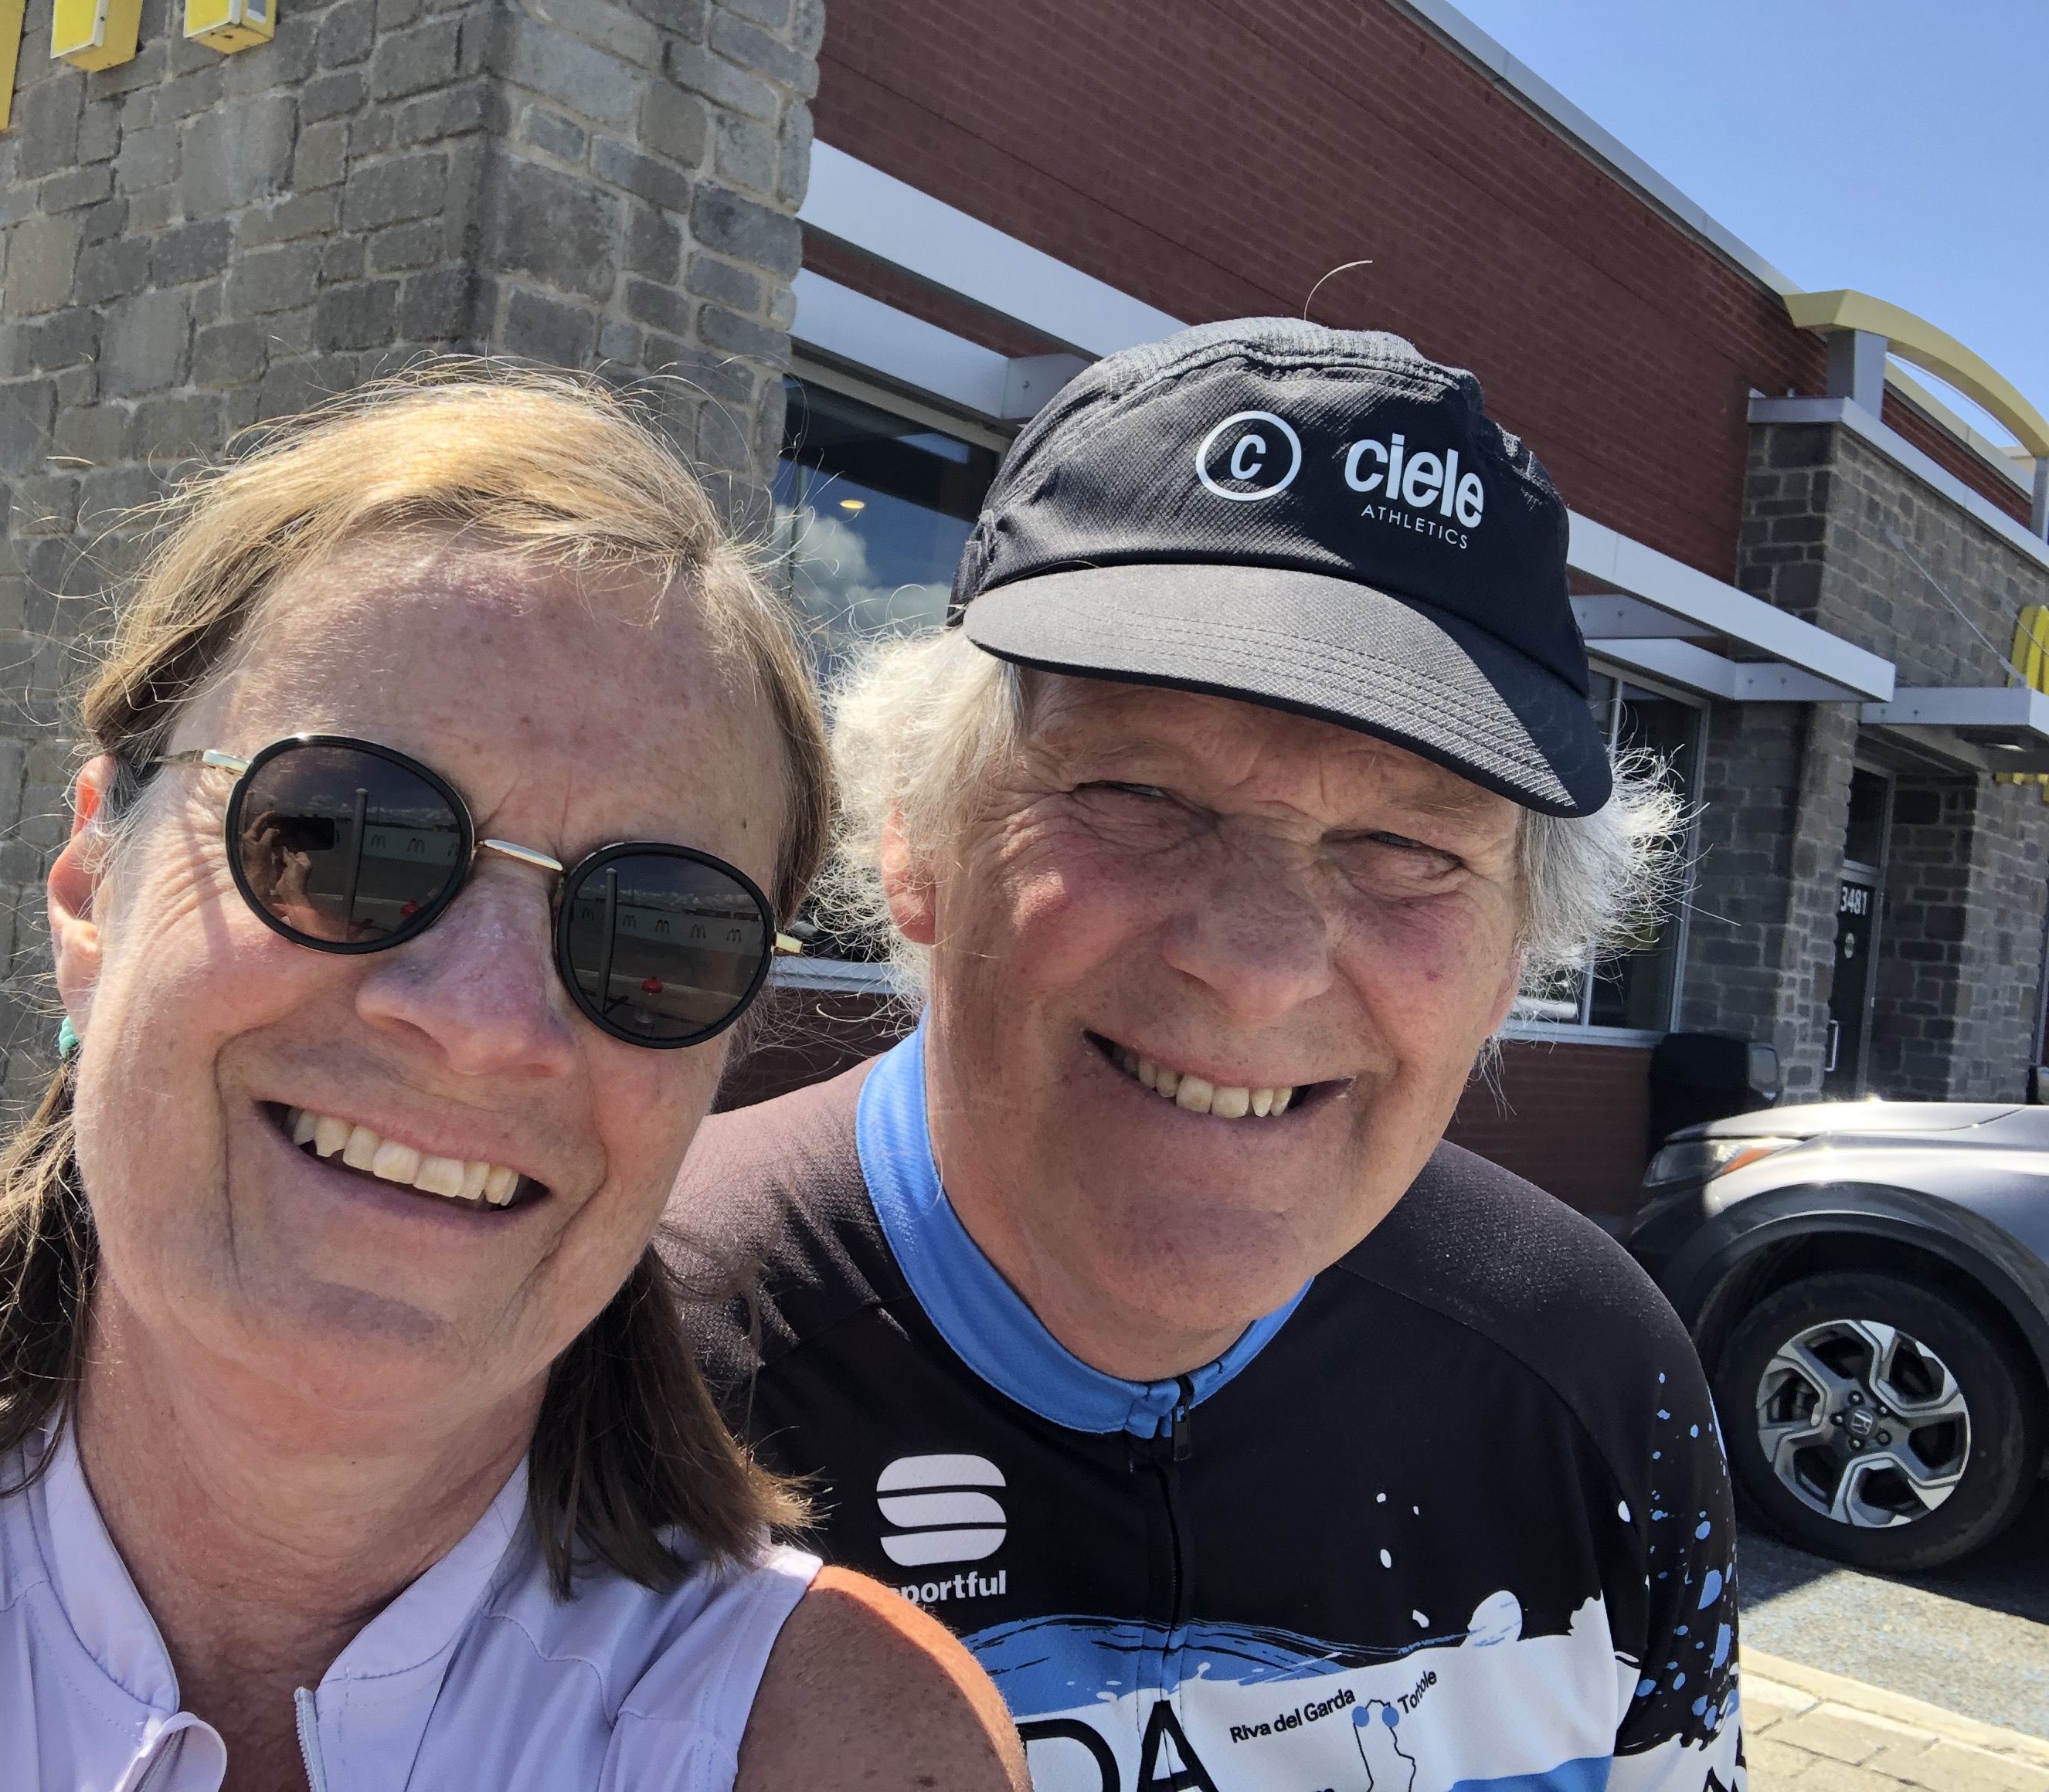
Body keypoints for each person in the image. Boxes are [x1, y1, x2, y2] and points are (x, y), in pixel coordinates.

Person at [0, 371, 1027, 1792]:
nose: (485, 1021)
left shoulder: (844, 1745)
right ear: (89, 885)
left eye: (659, 935)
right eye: (340, 833)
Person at [667, 320, 1743, 1792]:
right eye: (1137, 791)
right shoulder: (610, 1368)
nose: (1256, 964)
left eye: (1406, 845)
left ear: (1511, 967)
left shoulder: (1595, 1379)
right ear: (919, 846)